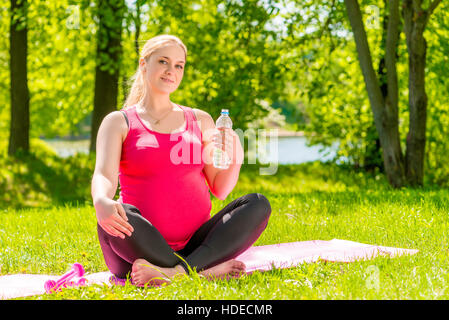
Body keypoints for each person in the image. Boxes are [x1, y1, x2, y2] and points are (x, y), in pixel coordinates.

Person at [91, 34, 272, 286]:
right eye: (163, 62)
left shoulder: (200, 119)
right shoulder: (118, 122)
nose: (171, 71)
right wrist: (101, 200)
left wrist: (236, 157)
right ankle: (203, 271)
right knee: (120, 216)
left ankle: (175, 273)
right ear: (144, 64)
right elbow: (103, 175)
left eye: (179, 65)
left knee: (258, 204)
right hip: (138, 244)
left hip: (197, 244)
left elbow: (219, 189)